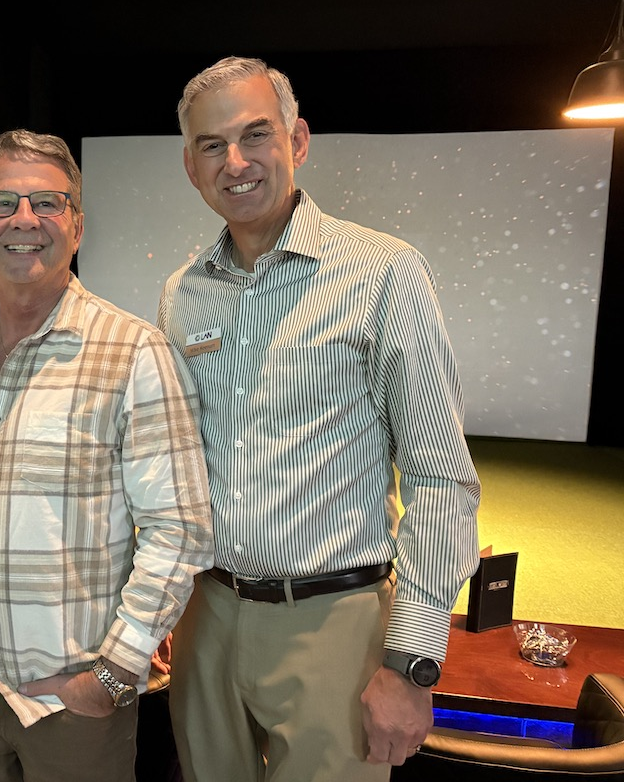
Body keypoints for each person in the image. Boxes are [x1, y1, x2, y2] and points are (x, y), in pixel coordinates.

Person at [158, 56, 481, 782]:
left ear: (298, 140)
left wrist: (412, 664)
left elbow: (440, 478)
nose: (235, 162)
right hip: (205, 620)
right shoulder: (182, 295)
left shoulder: (384, 272)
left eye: (255, 135)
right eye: (212, 145)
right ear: (191, 165)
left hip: (335, 626)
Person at [0, 129, 213, 782]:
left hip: (74, 708)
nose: (25, 219)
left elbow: (181, 525)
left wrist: (112, 673)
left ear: (75, 225)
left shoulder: (134, 353)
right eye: (3, 202)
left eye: (48, 202)